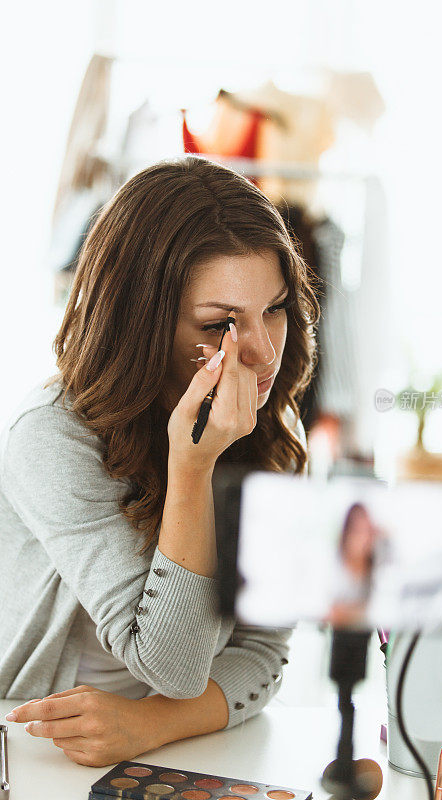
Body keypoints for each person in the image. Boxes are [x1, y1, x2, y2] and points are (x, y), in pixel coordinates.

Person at [0, 157, 319, 766]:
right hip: (39, 751)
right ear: (142, 323)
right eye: (222, 322)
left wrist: (149, 725)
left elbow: (264, 649)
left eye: (274, 309)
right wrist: (193, 470)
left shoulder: (270, 426)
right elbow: (174, 666)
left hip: (181, 750)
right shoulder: (51, 436)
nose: (261, 351)